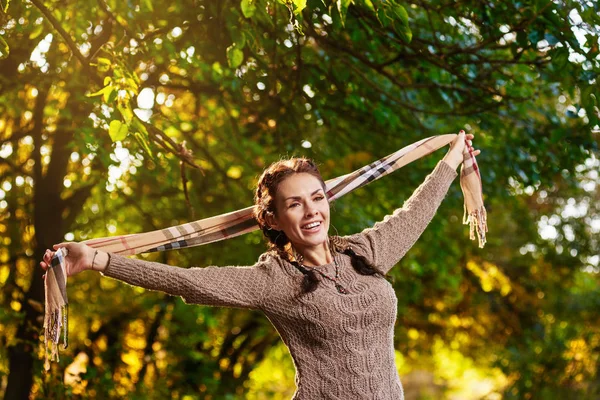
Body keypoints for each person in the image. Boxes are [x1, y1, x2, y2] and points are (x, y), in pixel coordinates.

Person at [41, 132, 480, 399]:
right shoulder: (272, 280)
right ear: (272, 219)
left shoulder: (365, 252)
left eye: (317, 197)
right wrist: (98, 259)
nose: (311, 212)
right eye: (294, 203)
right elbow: (188, 282)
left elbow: (414, 213)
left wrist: (451, 159)